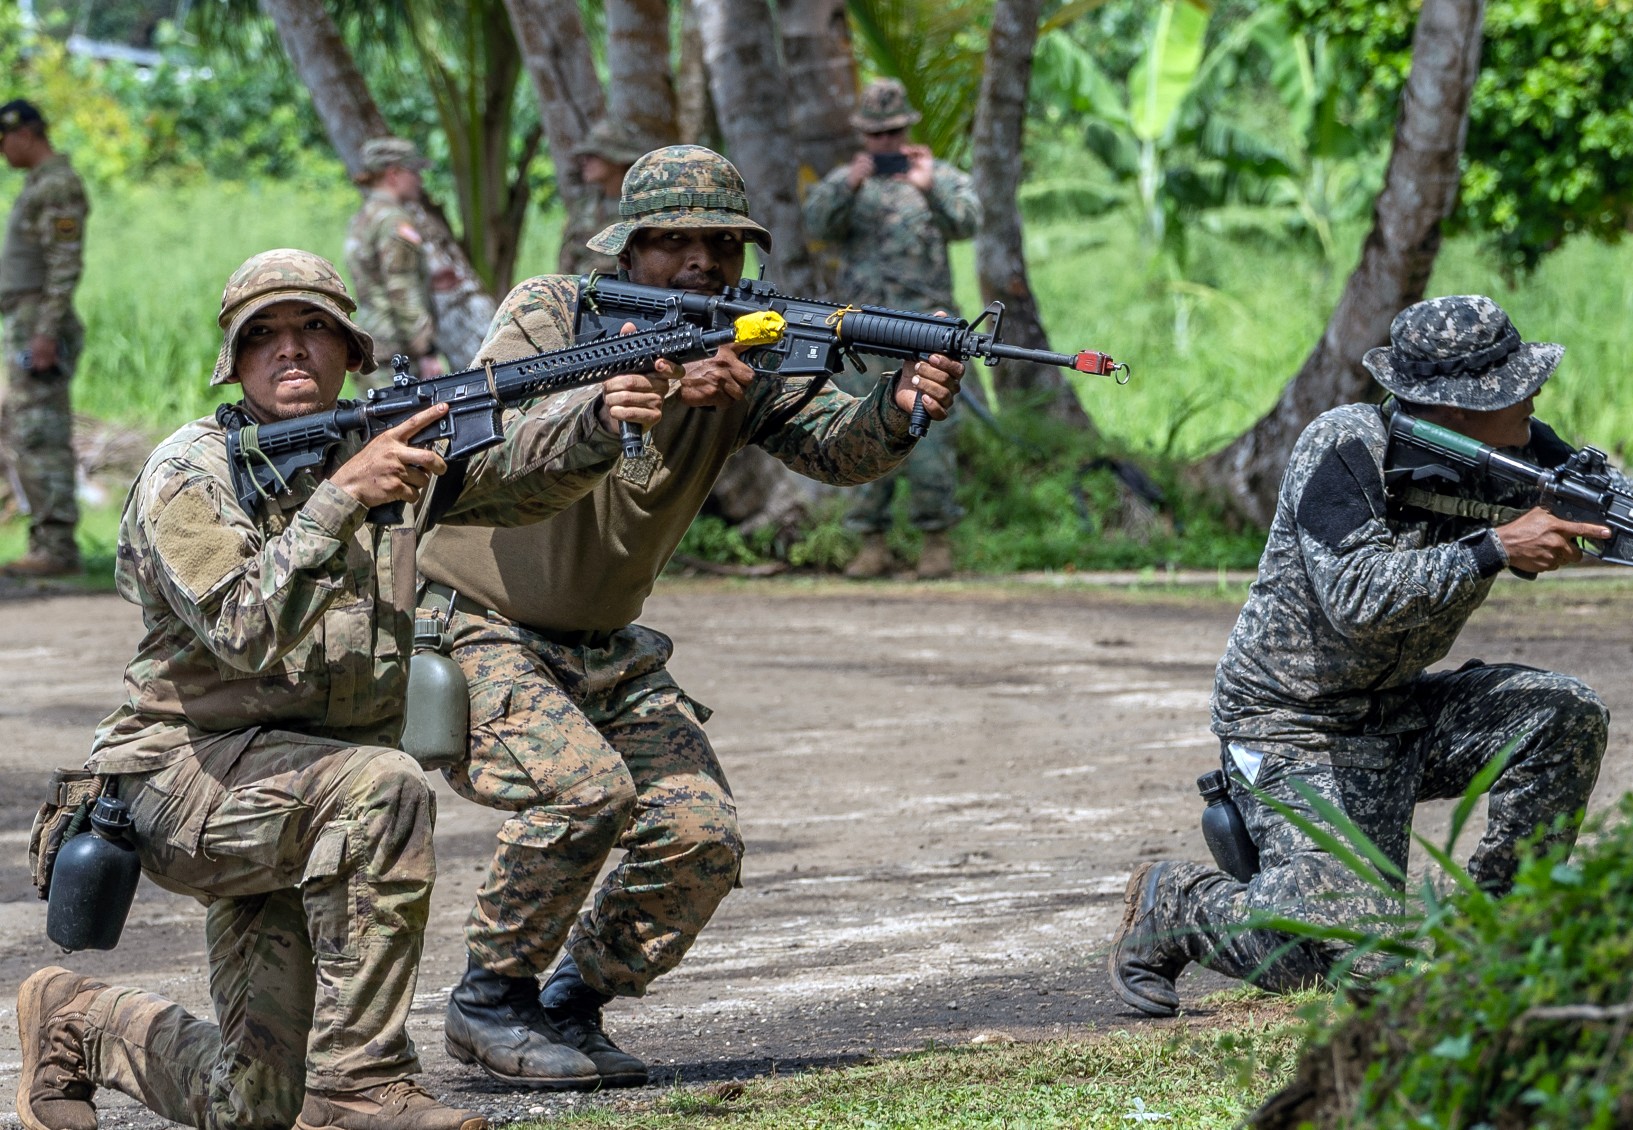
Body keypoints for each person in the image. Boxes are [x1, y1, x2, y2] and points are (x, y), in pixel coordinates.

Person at [14, 248, 669, 1130]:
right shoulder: (192, 474)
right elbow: (242, 623)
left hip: (299, 787)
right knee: (384, 791)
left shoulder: (386, 451)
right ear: (235, 361)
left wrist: (597, 415)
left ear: (352, 353)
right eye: (266, 336)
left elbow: (517, 479)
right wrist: (339, 500)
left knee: (251, 1104)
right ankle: (363, 1084)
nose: (292, 352)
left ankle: (79, 1024)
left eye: (315, 330)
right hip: (181, 781)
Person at [414, 144, 964, 1090]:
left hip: (604, 646)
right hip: (479, 620)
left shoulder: (745, 341)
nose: (702, 261)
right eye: (674, 242)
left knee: (699, 832)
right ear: (629, 253)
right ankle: (487, 1002)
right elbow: (491, 442)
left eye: (721, 242)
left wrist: (902, 406)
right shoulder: (556, 313)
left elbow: (830, 444)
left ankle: (569, 1005)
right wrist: (650, 390)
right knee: (583, 792)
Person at [1107, 296, 1633, 1016]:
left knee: (1562, 713)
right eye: (1513, 388)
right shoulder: (1344, 447)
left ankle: (1501, 938)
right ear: (1463, 407)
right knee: (1364, 972)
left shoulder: (1520, 454)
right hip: (1290, 726)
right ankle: (1179, 905)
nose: (1533, 396)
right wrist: (1496, 547)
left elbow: (1623, 507)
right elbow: (1356, 595)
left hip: (1399, 709)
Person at [804, 78, 980, 580]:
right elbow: (815, 224)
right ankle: (870, 541)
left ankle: (936, 540)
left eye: (892, 133)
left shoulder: (936, 177)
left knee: (933, 436)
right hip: (863, 331)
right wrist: (848, 183)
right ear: (863, 136)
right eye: (875, 135)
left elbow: (969, 221)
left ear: (906, 130)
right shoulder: (847, 182)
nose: (884, 144)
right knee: (861, 423)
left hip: (925, 327)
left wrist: (930, 186)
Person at [0, 98, 87, 577]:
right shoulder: (40, 185)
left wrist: (45, 332)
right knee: (29, 431)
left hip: (40, 322)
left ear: (24, 133)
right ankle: (46, 542)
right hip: (28, 317)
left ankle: (56, 547)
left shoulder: (57, 185)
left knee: (41, 432)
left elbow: (63, 264)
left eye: (3, 141)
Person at [346, 137, 444, 389]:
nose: (419, 180)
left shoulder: (364, 217)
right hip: (397, 352)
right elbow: (401, 288)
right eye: (414, 171)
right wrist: (426, 350)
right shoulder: (393, 220)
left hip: (373, 345)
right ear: (394, 173)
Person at [558, 119, 648, 277]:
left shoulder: (646, 210)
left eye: (593, 155)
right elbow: (565, 267)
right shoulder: (583, 209)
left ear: (617, 158)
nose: (584, 161)